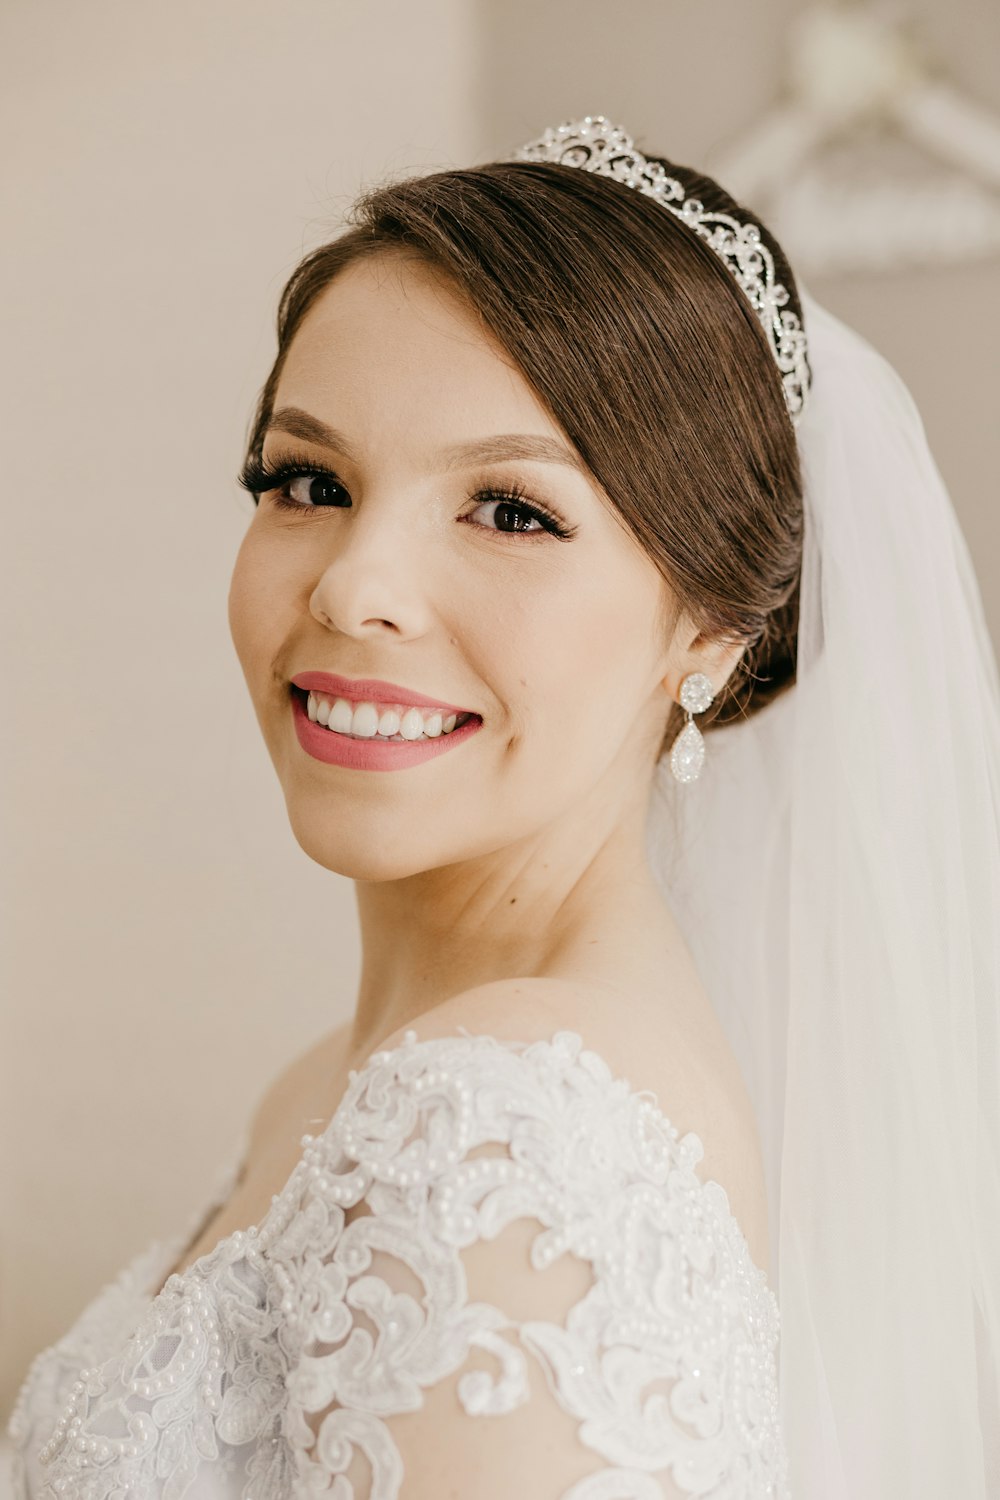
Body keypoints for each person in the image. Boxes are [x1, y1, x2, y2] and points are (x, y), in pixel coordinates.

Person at [6, 115, 998, 1499]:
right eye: (310, 482)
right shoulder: (350, 1078)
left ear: (708, 630)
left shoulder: (498, 1135)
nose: (356, 587)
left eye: (511, 511)